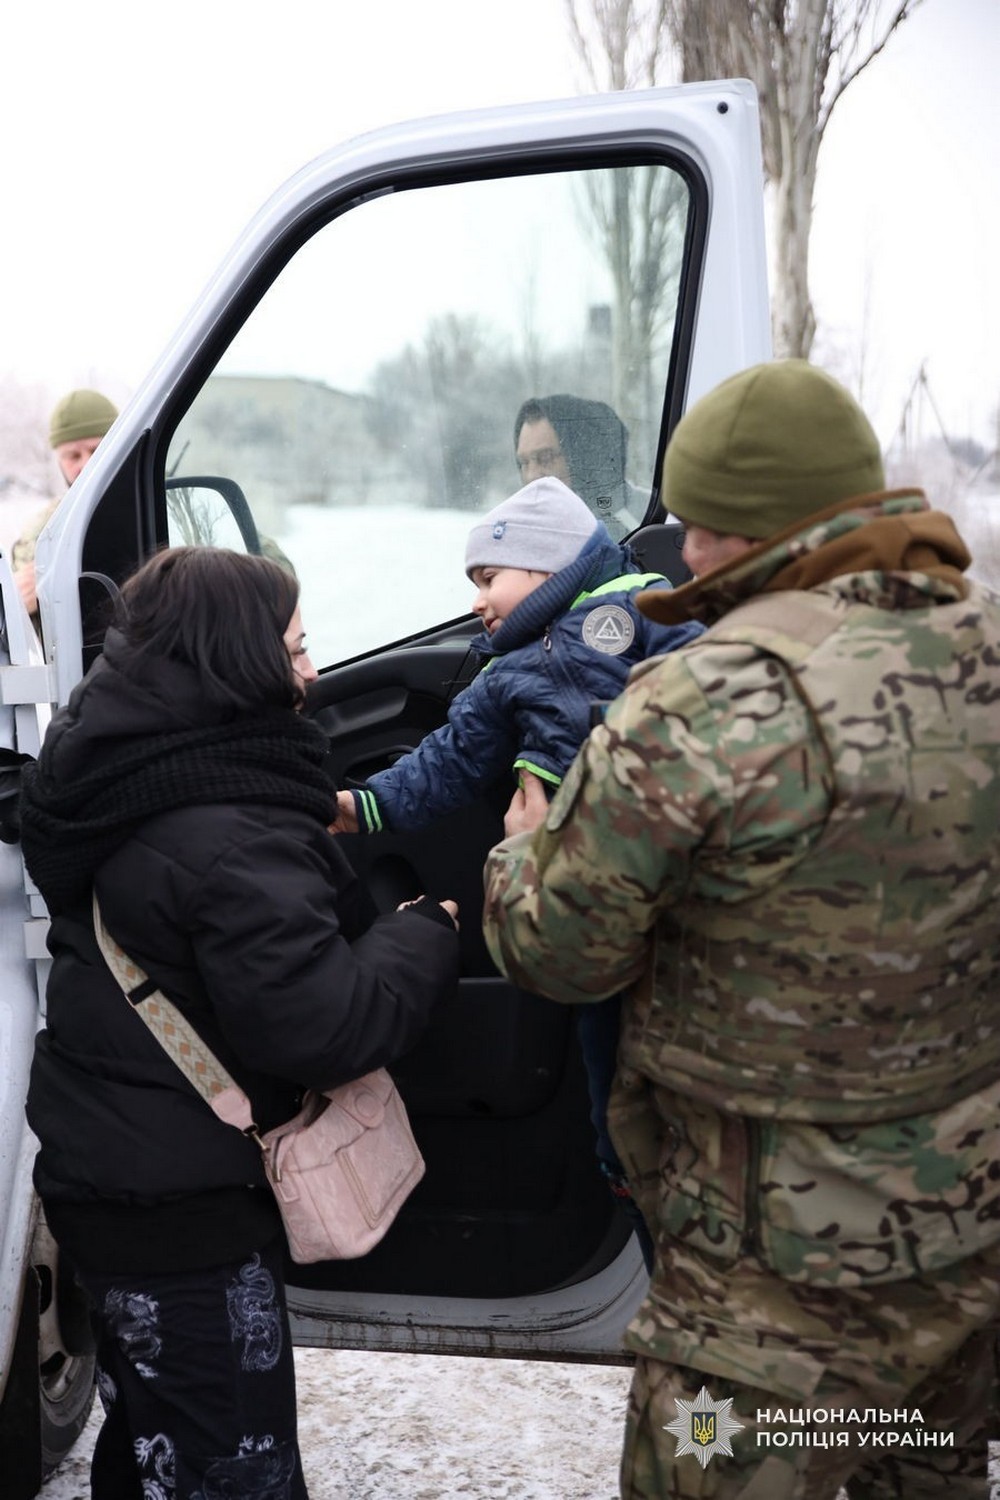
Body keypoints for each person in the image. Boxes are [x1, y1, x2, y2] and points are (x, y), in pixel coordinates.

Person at [482, 361, 1000, 1499]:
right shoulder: (985, 653)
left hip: (762, 1311)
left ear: (743, 529)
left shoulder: (700, 702)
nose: (687, 553)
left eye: (701, 526)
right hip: (959, 1269)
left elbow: (555, 949)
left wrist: (519, 843)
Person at [20, 547, 460, 1500]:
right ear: (235, 659)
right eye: (296, 649)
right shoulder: (235, 826)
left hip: (114, 1177)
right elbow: (327, 1027)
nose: (311, 673)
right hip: (186, 1217)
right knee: (229, 1468)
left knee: (155, 1441)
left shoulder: (122, 772)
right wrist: (422, 935)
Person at [333, 476, 702, 1267]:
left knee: (655, 1095)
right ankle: (640, 1213)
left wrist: (578, 780)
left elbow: (669, 703)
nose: (475, 602)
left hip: (644, 888)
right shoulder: (504, 673)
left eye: (487, 579)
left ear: (547, 570)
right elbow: (447, 764)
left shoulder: (634, 613)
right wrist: (360, 808)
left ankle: (676, 1236)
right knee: (614, 1103)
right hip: (590, 915)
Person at [12, 387, 119, 617]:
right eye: (73, 456)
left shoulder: (153, 500)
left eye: (96, 450)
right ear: (60, 461)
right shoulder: (43, 531)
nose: (86, 464)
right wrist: (22, 603)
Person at [514, 394, 650, 542]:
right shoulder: (518, 533)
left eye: (546, 458)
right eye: (524, 463)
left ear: (583, 456)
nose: (531, 475)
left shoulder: (644, 523)